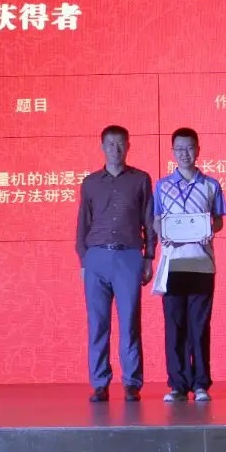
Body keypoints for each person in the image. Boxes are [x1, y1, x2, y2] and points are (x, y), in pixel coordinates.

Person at [76, 125, 156, 403]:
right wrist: (84, 260)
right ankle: (100, 383)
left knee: (130, 321)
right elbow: (83, 223)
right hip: (96, 257)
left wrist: (149, 257)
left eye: (121, 143)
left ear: (128, 145)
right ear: (102, 147)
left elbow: (149, 221)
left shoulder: (141, 179)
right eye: (110, 144)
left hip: (129, 256)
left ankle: (132, 382)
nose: (115, 149)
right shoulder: (90, 182)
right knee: (98, 323)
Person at [153, 127, 226, 402]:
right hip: (172, 263)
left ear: (198, 150)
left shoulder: (211, 185)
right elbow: (156, 219)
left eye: (189, 148)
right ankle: (177, 384)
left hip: (202, 264)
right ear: (172, 152)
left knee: (199, 325)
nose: (184, 153)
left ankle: (200, 384)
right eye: (179, 149)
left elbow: (218, 221)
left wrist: (210, 228)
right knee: (174, 325)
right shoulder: (162, 186)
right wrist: (161, 232)